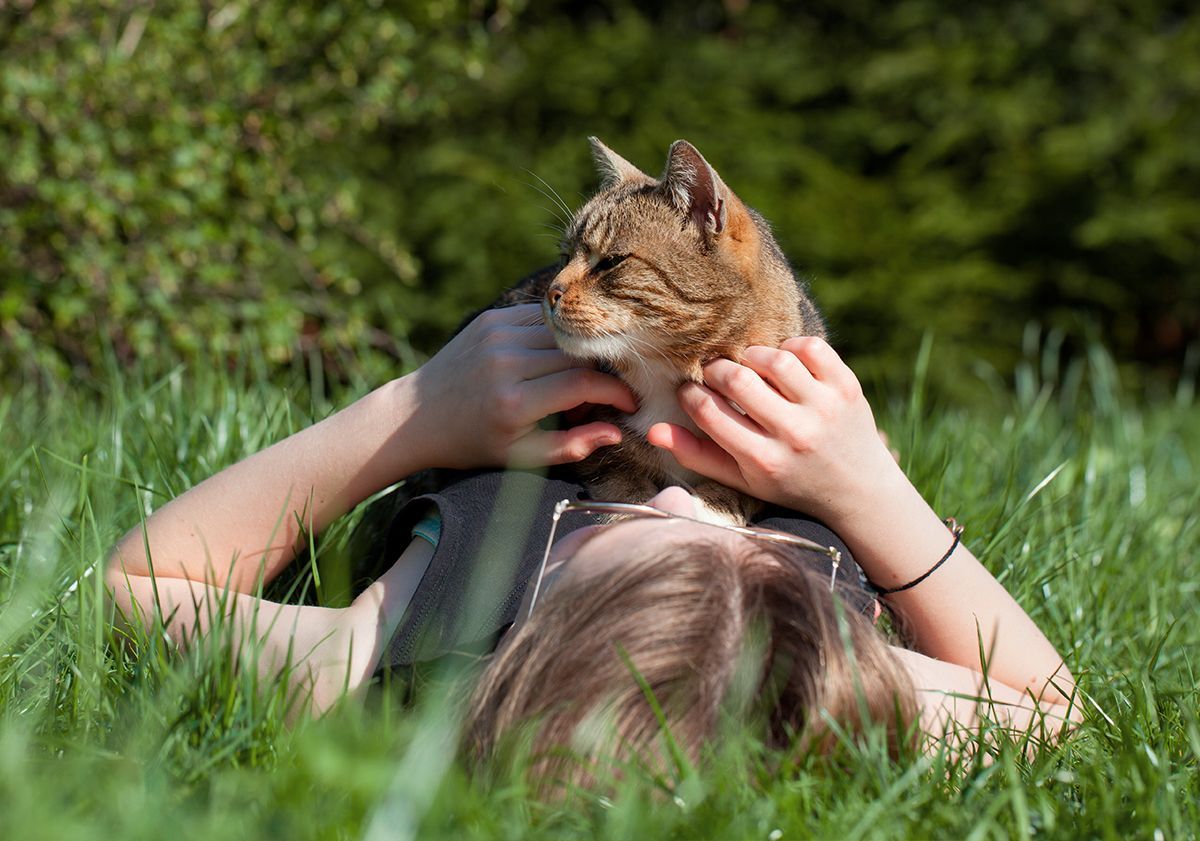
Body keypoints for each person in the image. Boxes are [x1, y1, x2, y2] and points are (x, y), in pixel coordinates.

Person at [106, 303, 1081, 785]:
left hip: (497, 399)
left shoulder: (395, 647)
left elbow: (138, 581)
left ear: (530, 618)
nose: (682, 506)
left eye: (610, 532)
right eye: (745, 555)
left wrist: (411, 412)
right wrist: (869, 487)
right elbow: (1062, 713)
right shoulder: (816, 698)